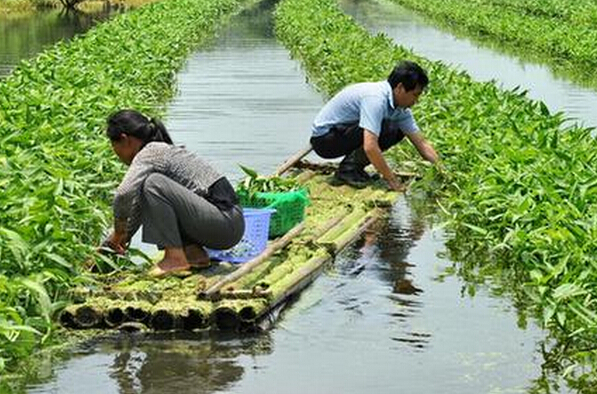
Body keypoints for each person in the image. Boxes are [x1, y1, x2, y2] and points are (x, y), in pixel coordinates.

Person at [102, 109, 245, 277]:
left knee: (153, 183)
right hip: (226, 224)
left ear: (125, 140)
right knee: (151, 186)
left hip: (225, 222)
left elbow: (123, 194)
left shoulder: (151, 153)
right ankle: (194, 255)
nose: (115, 153)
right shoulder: (157, 152)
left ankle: (174, 259)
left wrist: (119, 232)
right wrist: (112, 244)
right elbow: (137, 206)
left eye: (114, 145)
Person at [310, 60, 439, 191]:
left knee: (397, 129)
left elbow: (421, 143)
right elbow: (370, 146)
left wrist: (442, 170)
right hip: (325, 140)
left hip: (344, 133)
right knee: (387, 127)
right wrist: (392, 181)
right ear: (400, 88)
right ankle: (347, 171)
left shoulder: (401, 109)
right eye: (415, 95)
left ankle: (354, 168)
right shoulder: (376, 98)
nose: (416, 101)